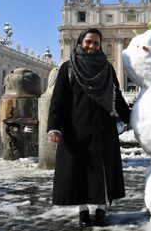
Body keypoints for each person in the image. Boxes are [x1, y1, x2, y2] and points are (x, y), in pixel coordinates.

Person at [48, 28, 131, 227]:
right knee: (79, 168)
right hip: (77, 125)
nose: (92, 46)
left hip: (103, 125)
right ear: (81, 42)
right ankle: (83, 209)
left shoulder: (107, 68)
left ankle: (102, 206)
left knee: (103, 168)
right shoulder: (68, 67)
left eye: (95, 43)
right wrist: (54, 126)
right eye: (88, 42)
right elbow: (58, 99)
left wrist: (131, 117)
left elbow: (116, 96)